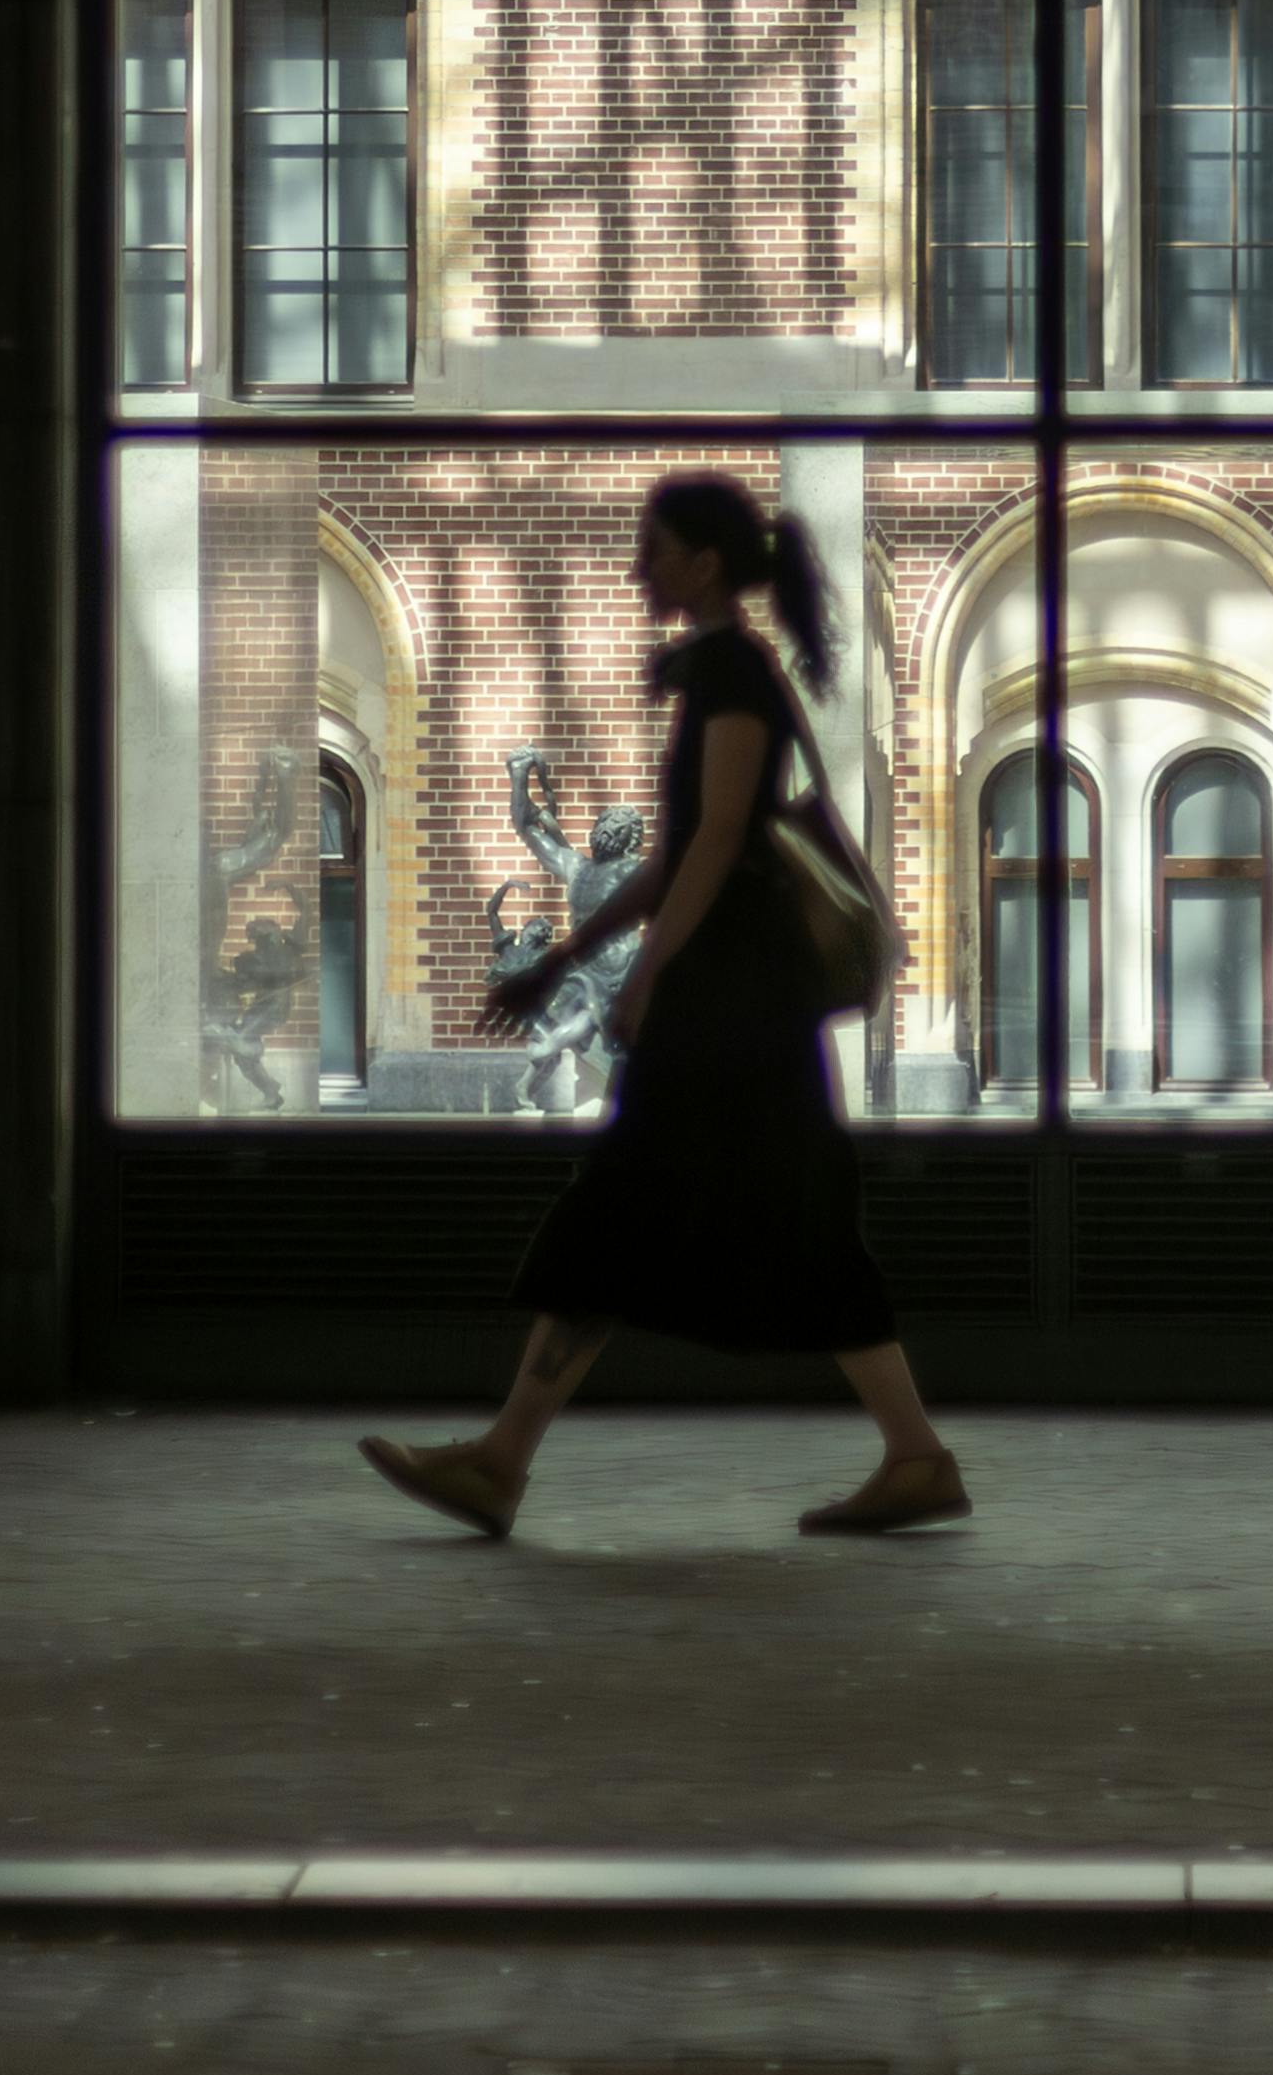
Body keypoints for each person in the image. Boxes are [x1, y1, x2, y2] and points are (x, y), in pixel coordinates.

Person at [359, 475, 970, 1543]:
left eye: (655, 550)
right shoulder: (720, 673)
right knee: (770, 1220)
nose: (640, 569)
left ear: (702, 564)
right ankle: (912, 1455)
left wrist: (641, 976)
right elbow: (681, 852)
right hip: (738, 1005)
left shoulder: (732, 671)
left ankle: (502, 1463)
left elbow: (720, 839)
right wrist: (567, 959)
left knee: (633, 1208)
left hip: (727, 1007)